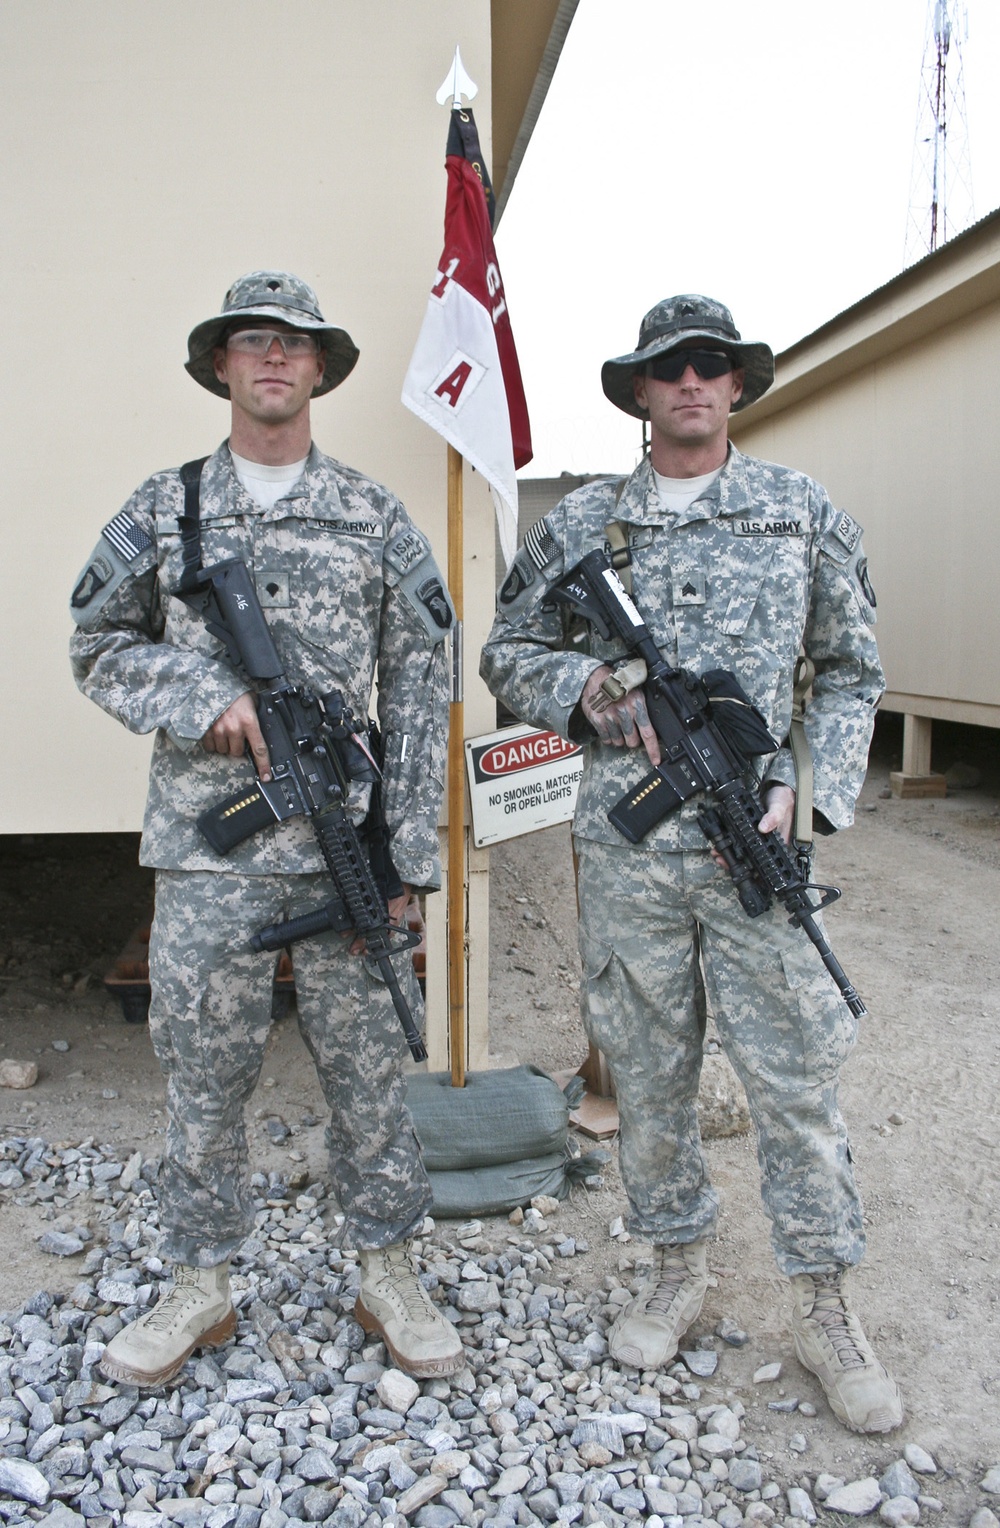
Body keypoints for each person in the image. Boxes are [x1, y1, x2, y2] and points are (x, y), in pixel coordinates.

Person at [480, 294, 902, 1434]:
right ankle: (675, 1268)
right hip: (627, 852)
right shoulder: (581, 525)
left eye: (711, 366)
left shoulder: (798, 513)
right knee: (649, 1078)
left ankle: (825, 1304)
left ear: (737, 385)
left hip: (754, 846)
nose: (692, 384)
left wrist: (802, 791)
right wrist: (588, 690)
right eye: (669, 369)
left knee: (793, 1083)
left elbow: (852, 670)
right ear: (639, 391)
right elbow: (508, 647)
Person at [70, 270, 464, 1387]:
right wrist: (207, 699)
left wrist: (408, 860)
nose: (275, 360)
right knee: (202, 1072)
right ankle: (200, 1280)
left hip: (349, 857)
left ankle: (387, 1268)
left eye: (295, 344)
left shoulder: (374, 515)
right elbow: (95, 644)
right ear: (221, 368)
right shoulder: (166, 505)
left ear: (322, 369)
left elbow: (421, 685)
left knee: (372, 1072)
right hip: (212, 854)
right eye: (253, 343)